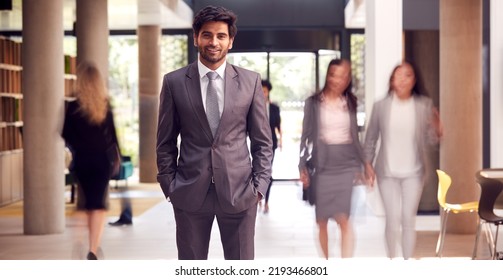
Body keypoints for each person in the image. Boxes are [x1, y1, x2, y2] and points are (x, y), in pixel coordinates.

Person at [156, 5, 273, 260]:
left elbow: (263, 142)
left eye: (221, 36)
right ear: (196, 38)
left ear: (230, 41)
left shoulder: (250, 81)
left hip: (240, 193)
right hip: (188, 193)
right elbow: (165, 142)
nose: (214, 42)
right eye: (207, 35)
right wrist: (170, 186)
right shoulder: (174, 82)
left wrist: (259, 187)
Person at [363, 61, 443, 260]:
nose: (402, 79)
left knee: (408, 219)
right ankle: (392, 261)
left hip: (414, 173)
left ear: (414, 80)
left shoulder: (423, 105)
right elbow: (371, 136)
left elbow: (431, 141)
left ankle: (407, 263)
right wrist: (367, 164)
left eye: (407, 75)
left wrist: (437, 129)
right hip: (386, 173)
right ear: (391, 80)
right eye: (398, 75)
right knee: (392, 220)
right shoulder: (381, 106)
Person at [298, 58, 373, 259]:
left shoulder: (350, 102)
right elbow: (306, 137)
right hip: (322, 166)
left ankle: (344, 267)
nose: (337, 80)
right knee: (321, 220)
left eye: (342, 76)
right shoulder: (313, 103)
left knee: (343, 219)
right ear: (327, 76)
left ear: (348, 79)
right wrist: (302, 165)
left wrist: (366, 164)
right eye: (333, 75)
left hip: (346, 165)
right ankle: (327, 263)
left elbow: (355, 139)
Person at [62, 61, 120, 260]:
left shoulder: (72, 106)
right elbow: (113, 137)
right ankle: (93, 249)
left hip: (82, 160)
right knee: (98, 205)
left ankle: (78, 240)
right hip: (102, 160)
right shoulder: (104, 105)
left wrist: (78, 148)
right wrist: (116, 157)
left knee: (84, 204)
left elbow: (65, 134)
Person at [260, 79, 282, 214]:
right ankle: (259, 199)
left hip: (271, 143)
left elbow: (278, 125)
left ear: (268, 92)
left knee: (267, 171)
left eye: (264, 91)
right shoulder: (253, 106)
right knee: (257, 171)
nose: (262, 94)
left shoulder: (274, 108)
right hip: (256, 142)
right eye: (260, 91)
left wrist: (281, 141)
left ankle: (266, 202)